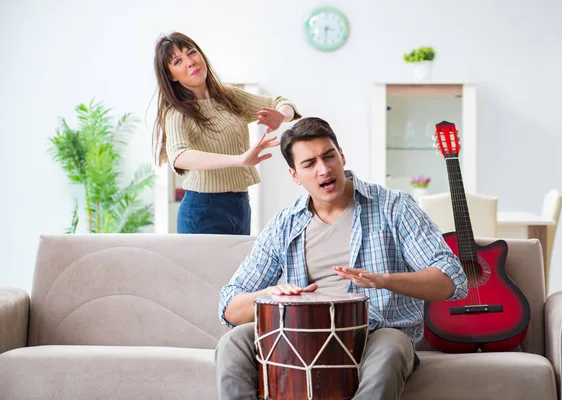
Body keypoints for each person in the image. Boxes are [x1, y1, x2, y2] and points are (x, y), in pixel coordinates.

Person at [215, 117, 468, 399]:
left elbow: (451, 280)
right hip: (301, 334)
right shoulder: (284, 224)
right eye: (309, 164)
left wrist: (384, 281)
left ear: (342, 156)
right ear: (295, 175)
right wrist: (271, 295)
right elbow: (229, 307)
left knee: (390, 347)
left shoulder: (394, 206)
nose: (324, 169)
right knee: (232, 343)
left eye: (329, 156)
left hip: (377, 333)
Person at [152, 31, 301, 235]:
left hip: (240, 204)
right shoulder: (177, 111)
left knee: (238, 268)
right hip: (203, 208)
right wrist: (239, 160)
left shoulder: (228, 96)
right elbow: (179, 156)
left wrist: (281, 116)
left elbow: (284, 103)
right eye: (178, 61)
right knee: (203, 268)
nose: (190, 62)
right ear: (171, 76)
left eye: (192, 52)